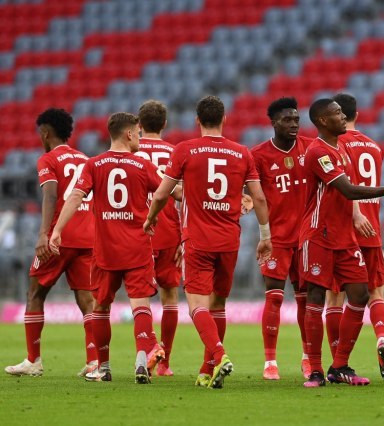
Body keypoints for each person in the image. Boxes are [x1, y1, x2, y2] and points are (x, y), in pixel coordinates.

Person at [144, 95, 272, 390]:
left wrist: (150, 218)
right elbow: (259, 197)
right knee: (219, 304)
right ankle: (206, 370)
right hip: (229, 241)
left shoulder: (185, 150)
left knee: (197, 306)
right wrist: (266, 237)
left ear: (197, 121)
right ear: (224, 119)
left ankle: (218, 354)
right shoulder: (242, 153)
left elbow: (162, 193)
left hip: (197, 239)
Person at [301, 98, 384, 387]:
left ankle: (339, 366)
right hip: (319, 236)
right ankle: (316, 369)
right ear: (322, 121)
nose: (343, 117)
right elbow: (347, 189)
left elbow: (350, 192)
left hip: (345, 238)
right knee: (316, 299)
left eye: (342, 112)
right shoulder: (317, 151)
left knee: (359, 294)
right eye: (336, 113)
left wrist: (357, 215)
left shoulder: (342, 149)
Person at [49, 112, 173, 384]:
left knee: (101, 307)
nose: (139, 137)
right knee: (140, 306)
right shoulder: (143, 165)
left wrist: (57, 230)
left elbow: (76, 196)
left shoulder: (94, 164)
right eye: (138, 133)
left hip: (105, 251)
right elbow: (170, 191)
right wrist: (153, 215)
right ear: (128, 134)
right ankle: (143, 360)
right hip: (138, 248)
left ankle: (103, 368)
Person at [5, 108, 97, 378]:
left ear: (45, 133)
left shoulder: (48, 159)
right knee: (87, 300)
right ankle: (94, 361)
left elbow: (51, 196)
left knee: (35, 293)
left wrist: (44, 233)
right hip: (87, 237)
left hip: (59, 237)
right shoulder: (86, 159)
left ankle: (33, 360)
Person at [325, 93, 384, 381]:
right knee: (376, 293)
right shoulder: (374, 147)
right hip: (373, 230)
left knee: (335, 298)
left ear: (338, 115)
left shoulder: (336, 144)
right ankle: (382, 337)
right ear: (358, 114)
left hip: (345, 230)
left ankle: (337, 360)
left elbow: (345, 186)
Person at [250, 97, 314, 380]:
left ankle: (308, 359)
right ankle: (270, 362)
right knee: (274, 298)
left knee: (306, 301)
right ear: (273, 123)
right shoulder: (258, 155)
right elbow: (250, 193)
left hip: (308, 238)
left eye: (296, 119)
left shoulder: (311, 148)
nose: (293, 124)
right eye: (287, 120)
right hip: (277, 239)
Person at [136, 100, 182, 376]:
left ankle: (146, 354)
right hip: (170, 231)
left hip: (138, 230)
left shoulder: (131, 151)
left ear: (138, 125)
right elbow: (185, 197)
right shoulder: (175, 152)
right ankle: (165, 363)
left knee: (140, 296)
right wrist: (185, 237)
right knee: (170, 296)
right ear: (165, 124)